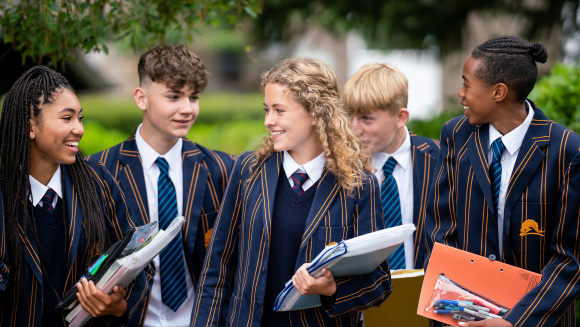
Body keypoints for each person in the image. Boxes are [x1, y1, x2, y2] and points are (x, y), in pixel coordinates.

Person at [191, 58, 392, 327]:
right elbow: (217, 267)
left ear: (314, 113)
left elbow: (379, 282)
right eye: (266, 110)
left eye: (279, 110)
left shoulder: (358, 184)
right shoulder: (248, 170)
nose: (268, 121)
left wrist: (332, 289)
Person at [425, 35, 580, 327]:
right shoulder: (455, 135)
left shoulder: (567, 152)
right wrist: (455, 314)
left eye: (467, 85)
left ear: (498, 91)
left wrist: (515, 322)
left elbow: (570, 258)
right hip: (460, 317)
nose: (461, 93)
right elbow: (441, 232)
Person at [86, 45, 236, 327]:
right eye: (174, 96)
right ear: (141, 98)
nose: (187, 109)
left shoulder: (223, 169)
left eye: (194, 97)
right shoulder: (99, 170)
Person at [0, 65, 151, 326]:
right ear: (30, 126)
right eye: (67, 118)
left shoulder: (99, 184)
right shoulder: (3, 192)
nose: (79, 129)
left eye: (80, 118)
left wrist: (119, 306)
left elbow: (138, 262)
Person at [344, 62, 440, 270]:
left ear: (400, 117)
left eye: (366, 119)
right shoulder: (340, 165)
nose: (353, 129)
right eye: (349, 117)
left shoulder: (440, 160)